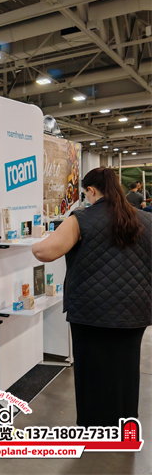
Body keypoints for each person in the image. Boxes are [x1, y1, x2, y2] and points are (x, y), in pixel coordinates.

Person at [32, 167, 151, 427]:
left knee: (92, 373)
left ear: (91, 190)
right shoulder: (145, 219)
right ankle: (125, 426)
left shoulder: (81, 219)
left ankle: (93, 428)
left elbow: (45, 252)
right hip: (135, 310)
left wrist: (33, 241)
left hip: (91, 311)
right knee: (126, 371)